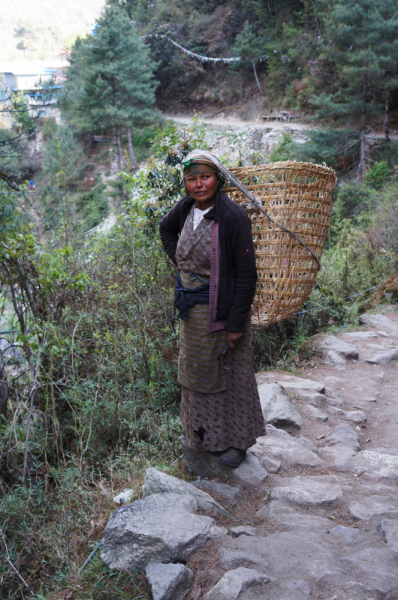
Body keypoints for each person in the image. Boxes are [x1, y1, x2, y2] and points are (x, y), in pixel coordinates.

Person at [159, 150, 265, 468]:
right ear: (186, 183)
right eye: (192, 179)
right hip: (191, 313)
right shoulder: (186, 209)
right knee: (196, 376)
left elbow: (247, 274)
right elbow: (165, 230)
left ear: (217, 179)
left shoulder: (232, 217)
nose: (199, 185)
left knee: (230, 377)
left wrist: (235, 323)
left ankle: (236, 444)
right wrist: (180, 261)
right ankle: (201, 438)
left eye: (205, 177)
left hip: (223, 312)